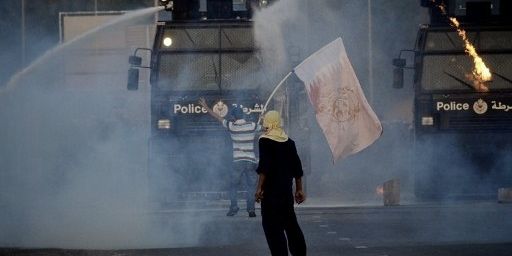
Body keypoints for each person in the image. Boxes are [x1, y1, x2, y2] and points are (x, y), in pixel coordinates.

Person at [255, 110, 307, 256]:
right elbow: (297, 168)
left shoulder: (264, 140)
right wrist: (299, 189)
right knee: (291, 225)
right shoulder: (289, 142)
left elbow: (264, 166)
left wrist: (259, 188)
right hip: (286, 193)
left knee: (272, 228)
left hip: (270, 193)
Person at [199, 97, 260, 217]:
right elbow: (266, 129)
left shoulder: (232, 126)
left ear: (233, 116)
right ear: (243, 115)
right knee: (251, 186)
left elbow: (217, 117)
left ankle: (234, 207)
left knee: (233, 185)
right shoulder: (252, 125)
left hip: (237, 161)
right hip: (251, 160)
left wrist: (206, 107)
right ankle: (251, 210)